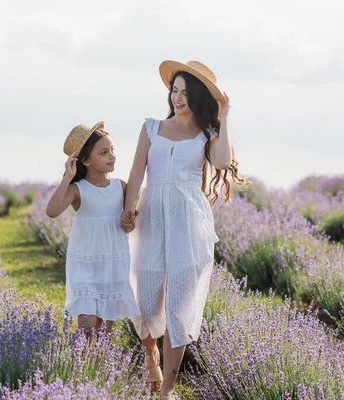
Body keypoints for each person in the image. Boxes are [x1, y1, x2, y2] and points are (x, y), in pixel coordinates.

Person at [121, 60, 247, 398]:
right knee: (147, 301)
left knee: (179, 308)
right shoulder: (151, 128)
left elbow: (221, 162)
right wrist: (128, 209)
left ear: (200, 97)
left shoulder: (208, 133)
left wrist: (224, 117)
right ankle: (151, 356)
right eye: (174, 91)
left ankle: (166, 391)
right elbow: (136, 173)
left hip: (189, 224)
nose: (178, 98)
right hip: (151, 218)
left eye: (186, 93)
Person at [46, 121, 141, 335]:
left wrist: (129, 222)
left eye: (112, 150)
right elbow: (51, 211)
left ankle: (99, 364)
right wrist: (68, 177)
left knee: (104, 329)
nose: (112, 156)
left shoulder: (121, 187)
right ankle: (82, 362)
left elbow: (128, 227)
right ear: (86, 160)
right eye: (104, 153)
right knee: (88, 325)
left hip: (113, 261)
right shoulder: (77, 189)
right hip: (85, 261)